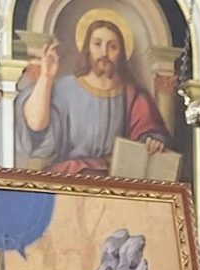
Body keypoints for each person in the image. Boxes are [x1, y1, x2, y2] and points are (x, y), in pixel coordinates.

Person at [15, 17, 172, 175]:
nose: (104, 53)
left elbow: (150, 131)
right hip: (71, 176)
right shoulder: (65, 89)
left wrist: (153, 140)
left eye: (112, 47)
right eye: (97, 44)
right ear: (87, 48)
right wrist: (46, 77)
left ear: (121, 53)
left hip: (115, 179)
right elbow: (36, 127)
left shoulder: (133, 95)